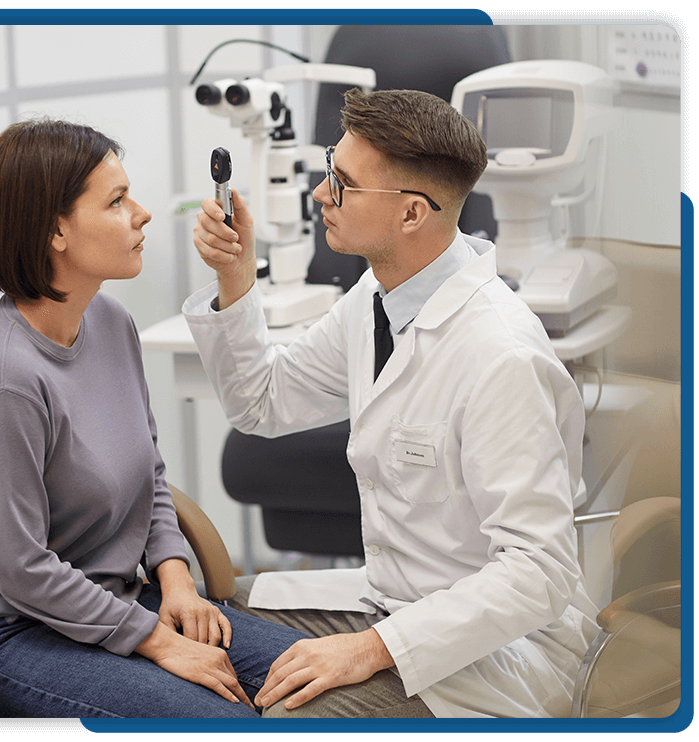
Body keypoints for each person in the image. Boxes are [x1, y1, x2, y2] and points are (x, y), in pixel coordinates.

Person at [182, 88, 600, 718]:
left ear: (410, 215)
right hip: (386, 603)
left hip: (496, 653)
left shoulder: (500, 354)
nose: (321, 194)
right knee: (192, 627)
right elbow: (261, 403)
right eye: (330, 169)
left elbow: (538, 572)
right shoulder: (376, 296)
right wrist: (236, 277)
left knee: (291, 715)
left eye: (341, 183)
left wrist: (372, 649)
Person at [0, 118, 307, 719]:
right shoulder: (3, 376)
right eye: (118, 201)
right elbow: (21, 571)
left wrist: (175, 582)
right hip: (4, 635)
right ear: (56, 231)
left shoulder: (111, 323)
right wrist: (156, 641)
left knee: (314, 676)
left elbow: (147, 471)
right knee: (222, 718)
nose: (143, 213)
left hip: (119, 599)